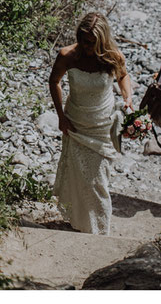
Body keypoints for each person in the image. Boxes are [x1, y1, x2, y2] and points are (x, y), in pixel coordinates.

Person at [48, 12, 133, 235]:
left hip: (102, 125)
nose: (87, 46)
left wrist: (127, 99)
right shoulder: (67, 55)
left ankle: (100, 232)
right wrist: (60, 116)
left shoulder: (113, 56)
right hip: (75, 123)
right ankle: (80, 225)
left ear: (102, 40)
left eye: (92, 43)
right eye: (84, 40)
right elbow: (54, 81)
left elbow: (123, 77)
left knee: (98, 180)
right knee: (79, 176)